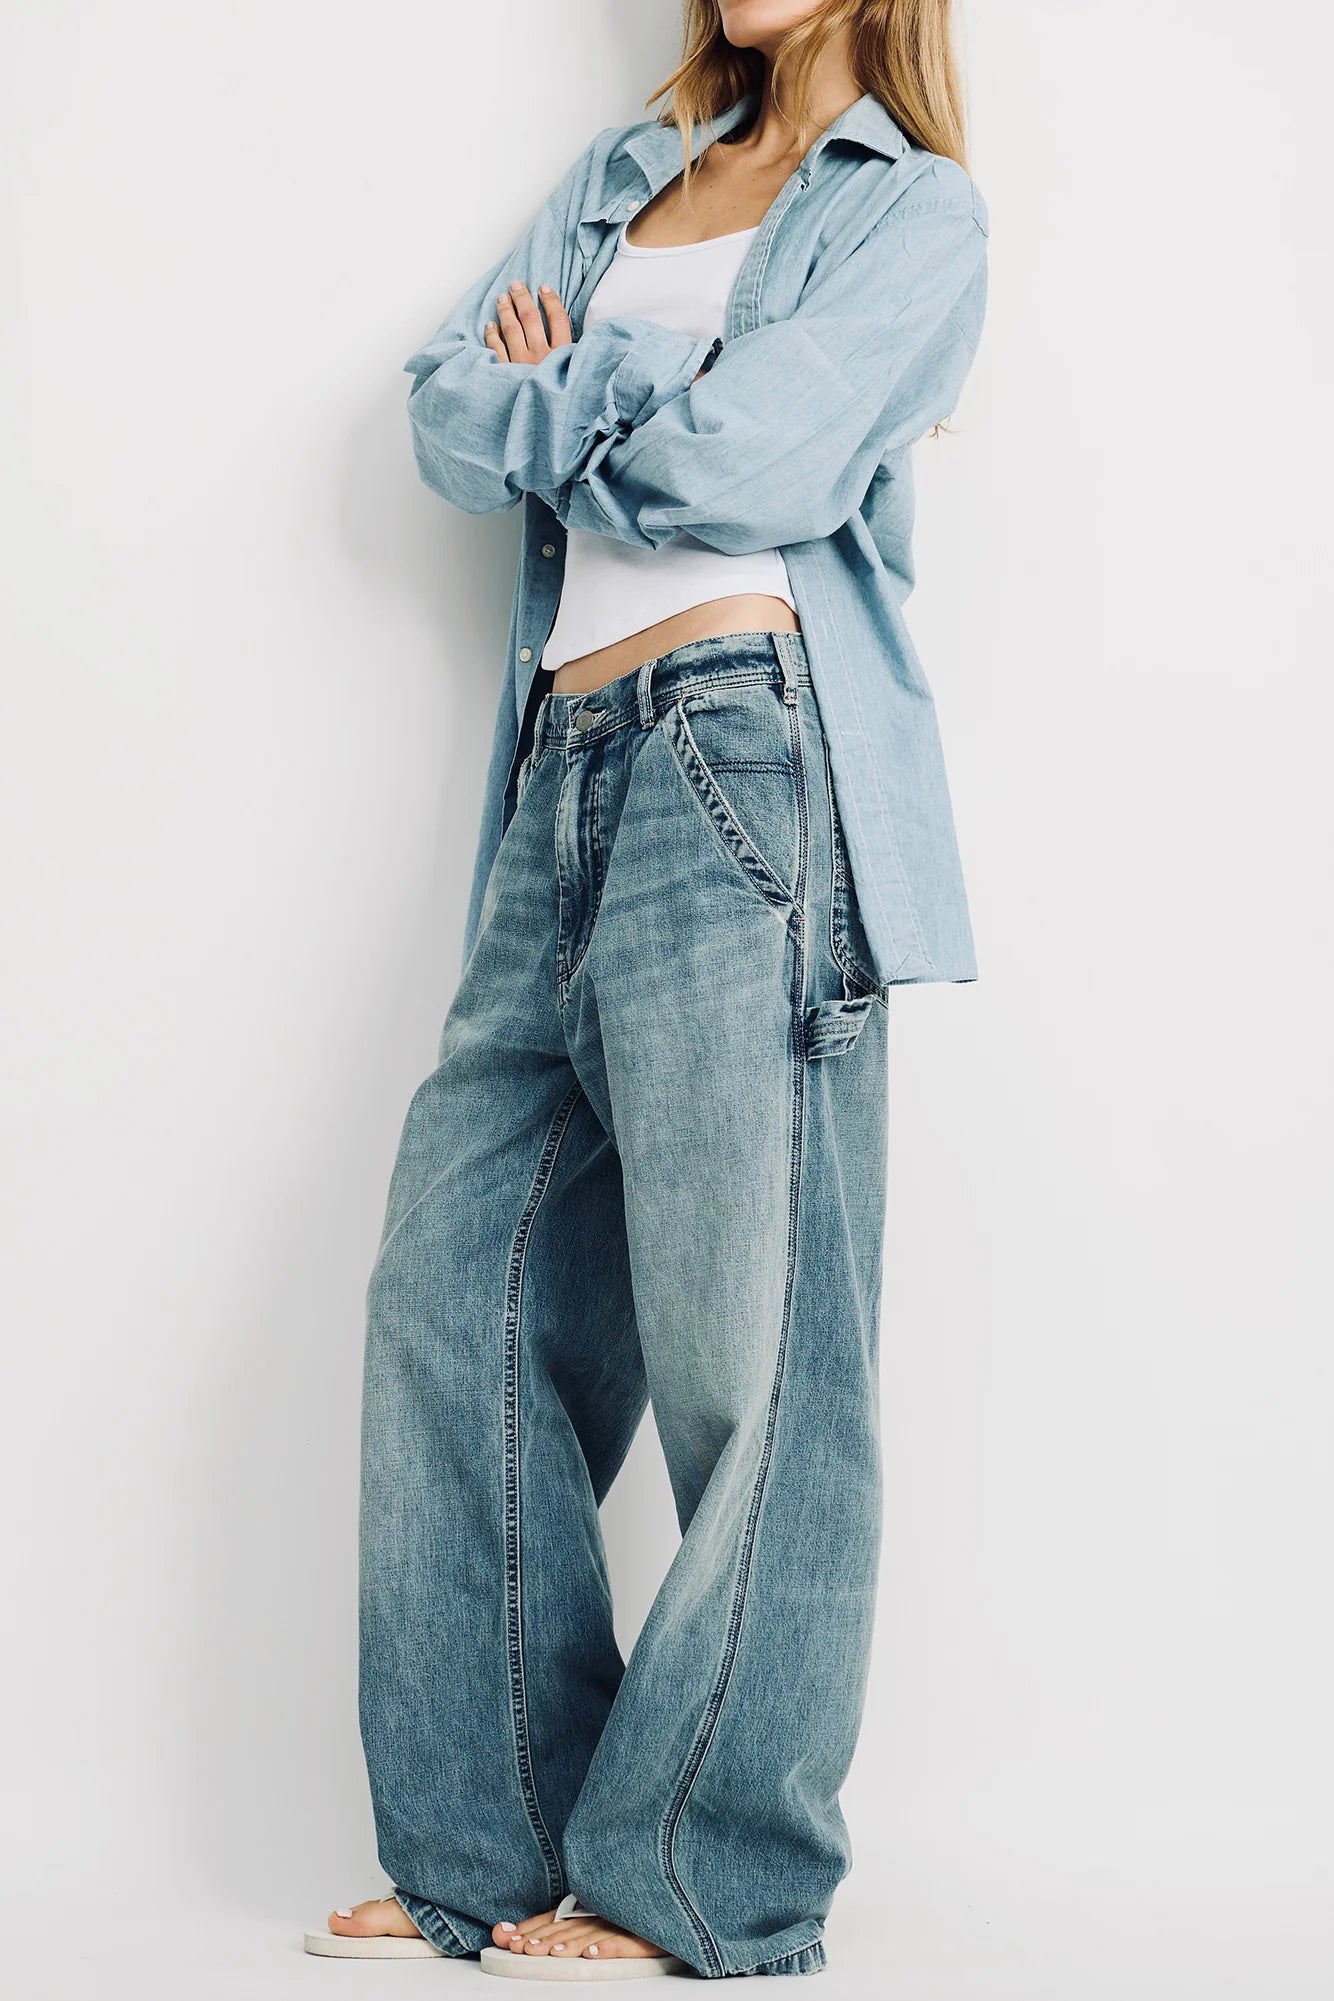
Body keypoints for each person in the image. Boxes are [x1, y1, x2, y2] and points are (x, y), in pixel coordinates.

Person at [304, 0, 988, 1980]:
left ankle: (702, 1878)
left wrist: (561, 397)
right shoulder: (626, 178)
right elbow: (442, 411)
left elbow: (749, 461)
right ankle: (487, 1848)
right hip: (562, 774)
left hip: (744, 760)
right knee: (453, 1295)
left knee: (752, 1356)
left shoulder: (913, 218)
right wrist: (598, 414)